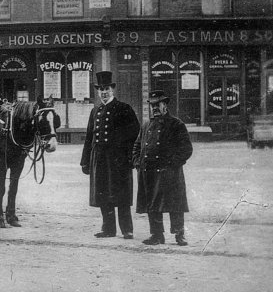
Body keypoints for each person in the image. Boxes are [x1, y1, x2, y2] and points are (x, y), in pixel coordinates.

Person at [80, 70, 140, 239]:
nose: (104, 92)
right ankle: (108, 229)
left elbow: (135, 134)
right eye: (101, 89)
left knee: (121, 195)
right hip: (99, 159)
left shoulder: (124, 109)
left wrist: (130, 158)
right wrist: (85, 161)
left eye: (106, 89)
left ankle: (127, 229)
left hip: (118, 160)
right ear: (98, 92)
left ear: (112, 90)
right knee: (103, 193)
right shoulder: (95, 111)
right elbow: (89, 138)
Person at [133, 93, 193, 246]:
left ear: (165, 105)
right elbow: (136, 146)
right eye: (152, 105)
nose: (154, 108)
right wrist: (137, 162)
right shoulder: (146, 125)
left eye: (157, 104)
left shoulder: (176, 124)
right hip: (149, 172)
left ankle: (179, 234)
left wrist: (173, 164)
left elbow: (186, 149)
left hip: (170, 173)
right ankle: (157, 235)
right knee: (152, 205)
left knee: (175, 204)